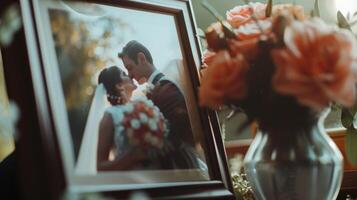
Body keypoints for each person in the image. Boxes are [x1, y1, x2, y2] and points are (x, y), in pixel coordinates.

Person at [118, 40, 195, 148]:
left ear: (141, 58)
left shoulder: (166, 88)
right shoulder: (158, 89)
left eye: (130, 68)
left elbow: (181, 134)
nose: (129, 75)